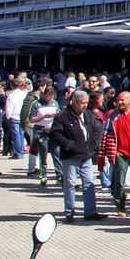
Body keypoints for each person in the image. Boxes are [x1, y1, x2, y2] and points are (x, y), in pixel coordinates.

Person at [49, 90, 106, 223]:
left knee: (89, 183)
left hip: (86, 155)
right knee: (70, 184)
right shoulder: (62, 116)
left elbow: (95, 128)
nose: (85, 105)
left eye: (86, 103)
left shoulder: (87, 114)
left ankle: (90, 212)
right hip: (71, 156)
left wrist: (94, 145)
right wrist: (68, 144)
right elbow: (55, 133)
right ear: (74, 102)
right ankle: (69, 212)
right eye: (82, 103)